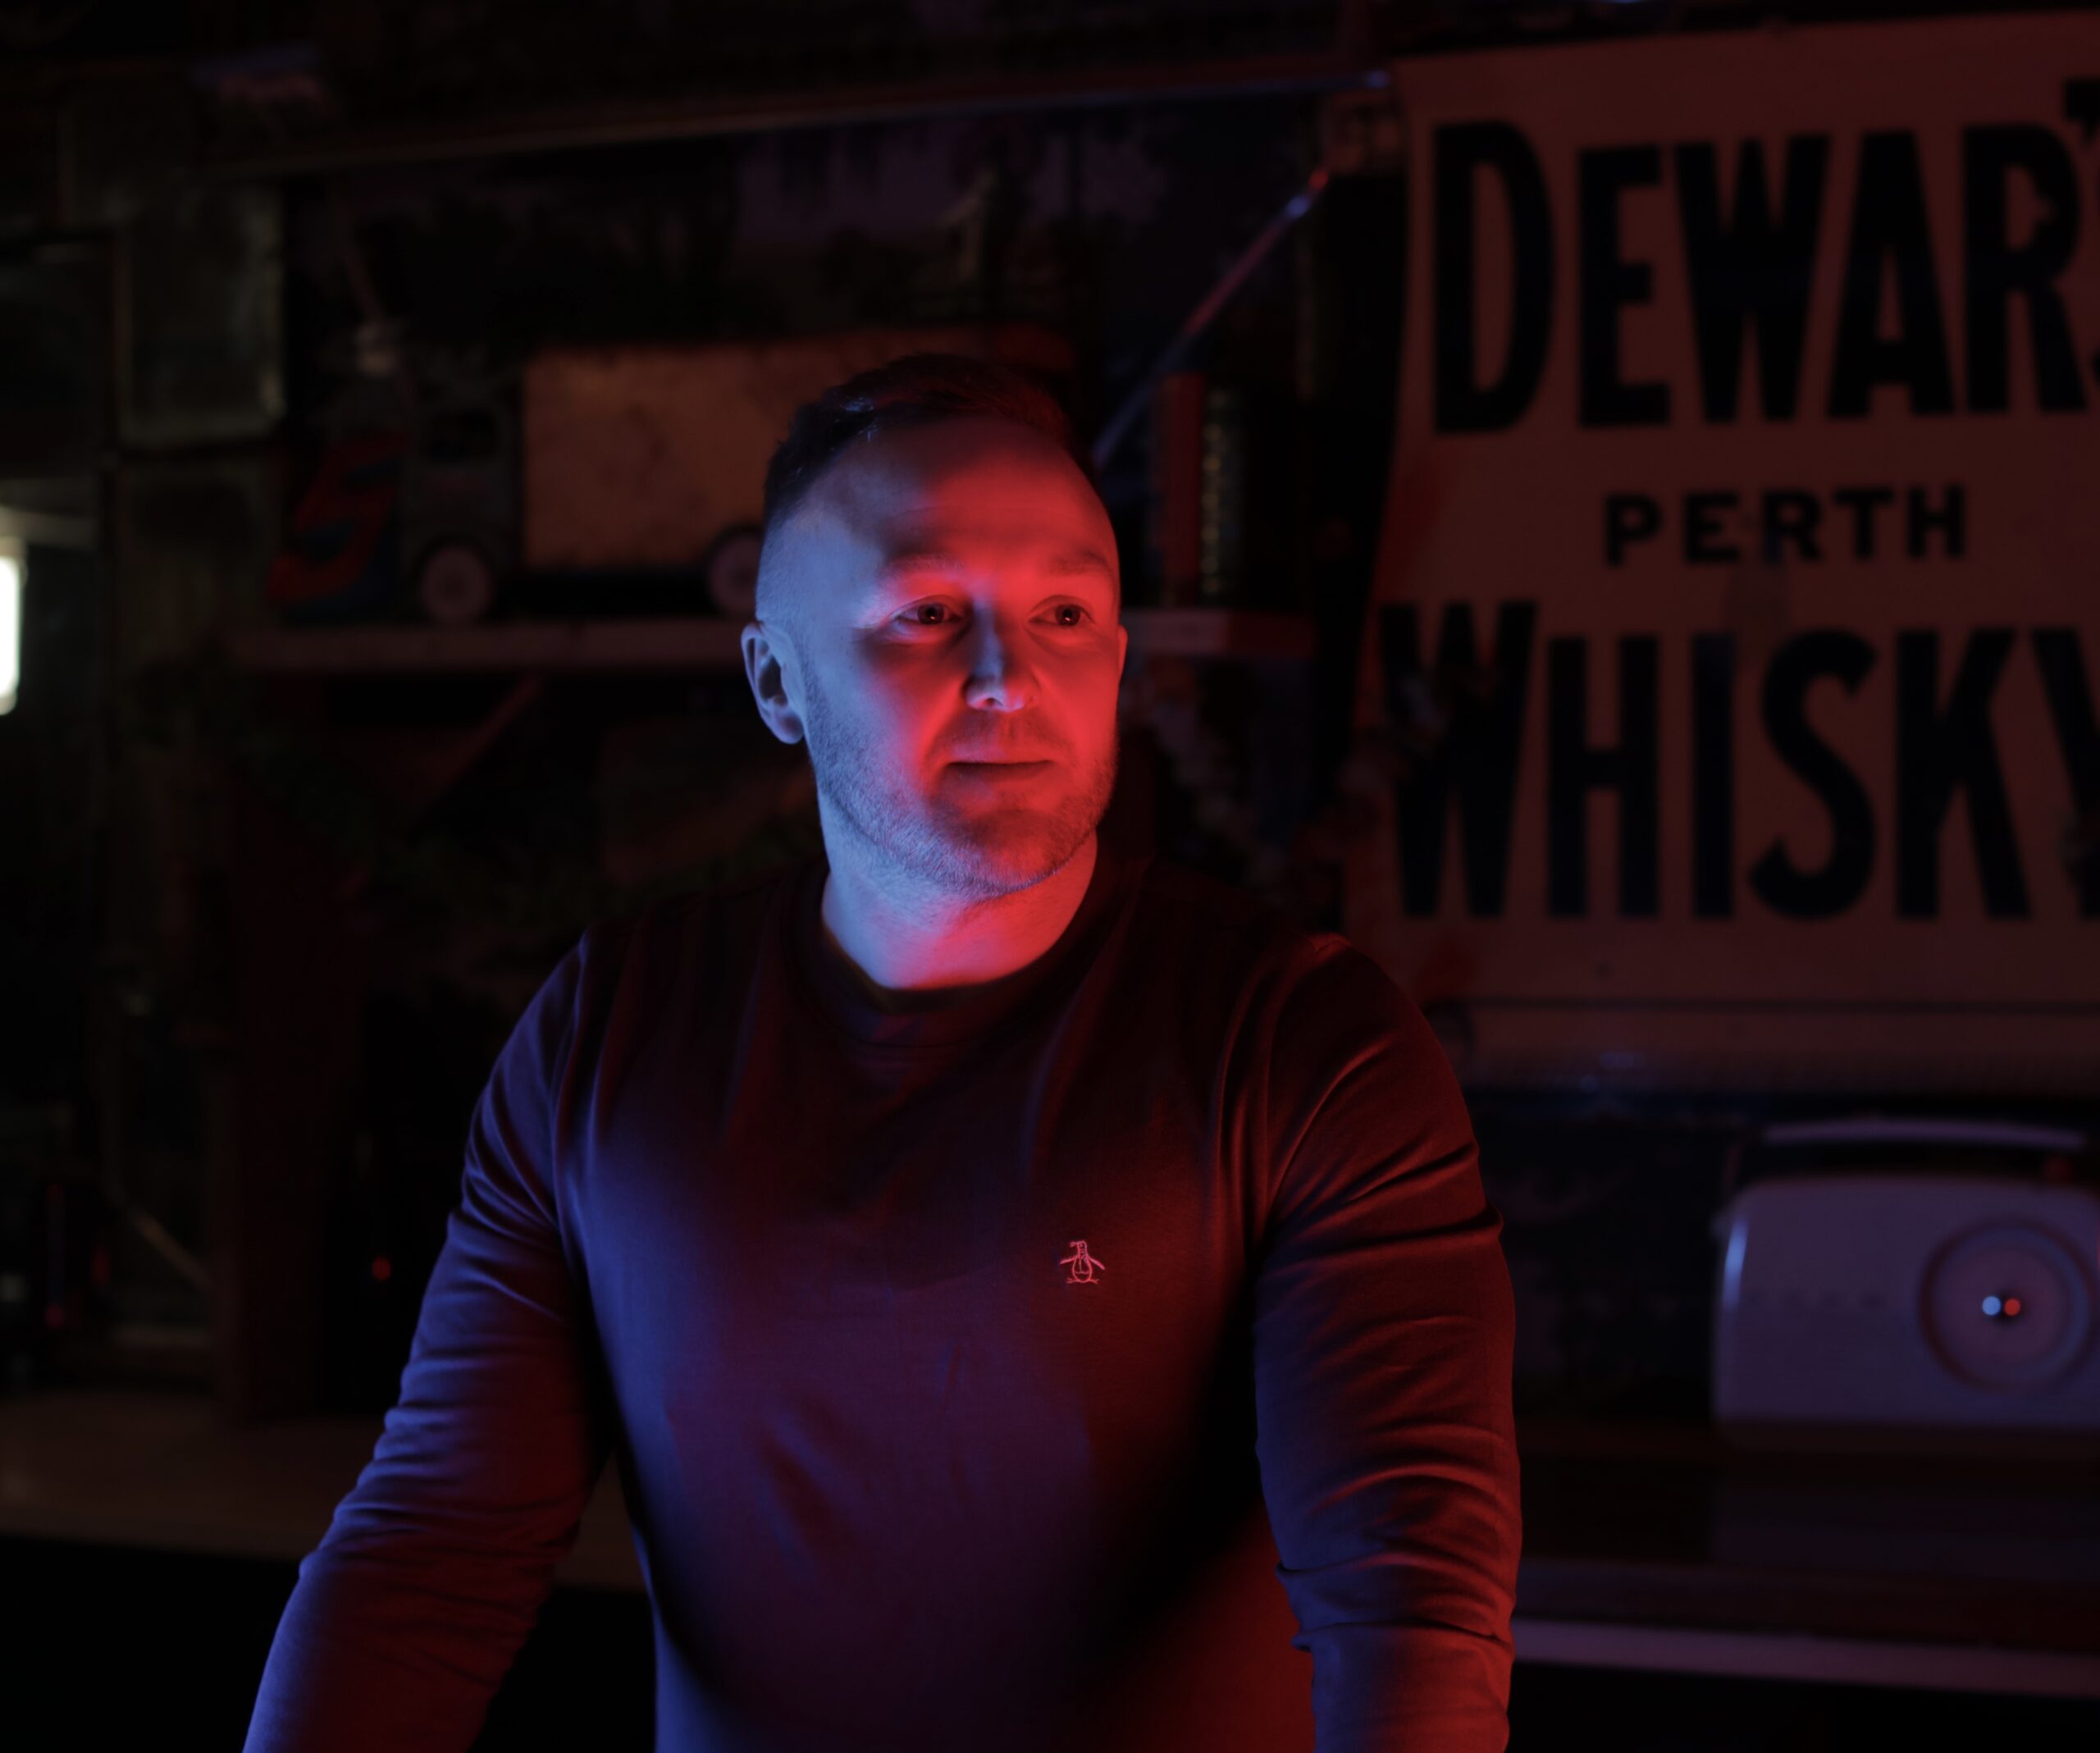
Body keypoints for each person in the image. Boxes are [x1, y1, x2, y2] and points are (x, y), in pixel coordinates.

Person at [242, 354, 1522, 1752]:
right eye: (927, 613)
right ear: (775, 678)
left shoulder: (1300, 1044)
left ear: (1117, 658)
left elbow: (1411, 1608)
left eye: (1065, 613)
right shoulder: (610, 1035)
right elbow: (431, 1551)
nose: (1008, 678)